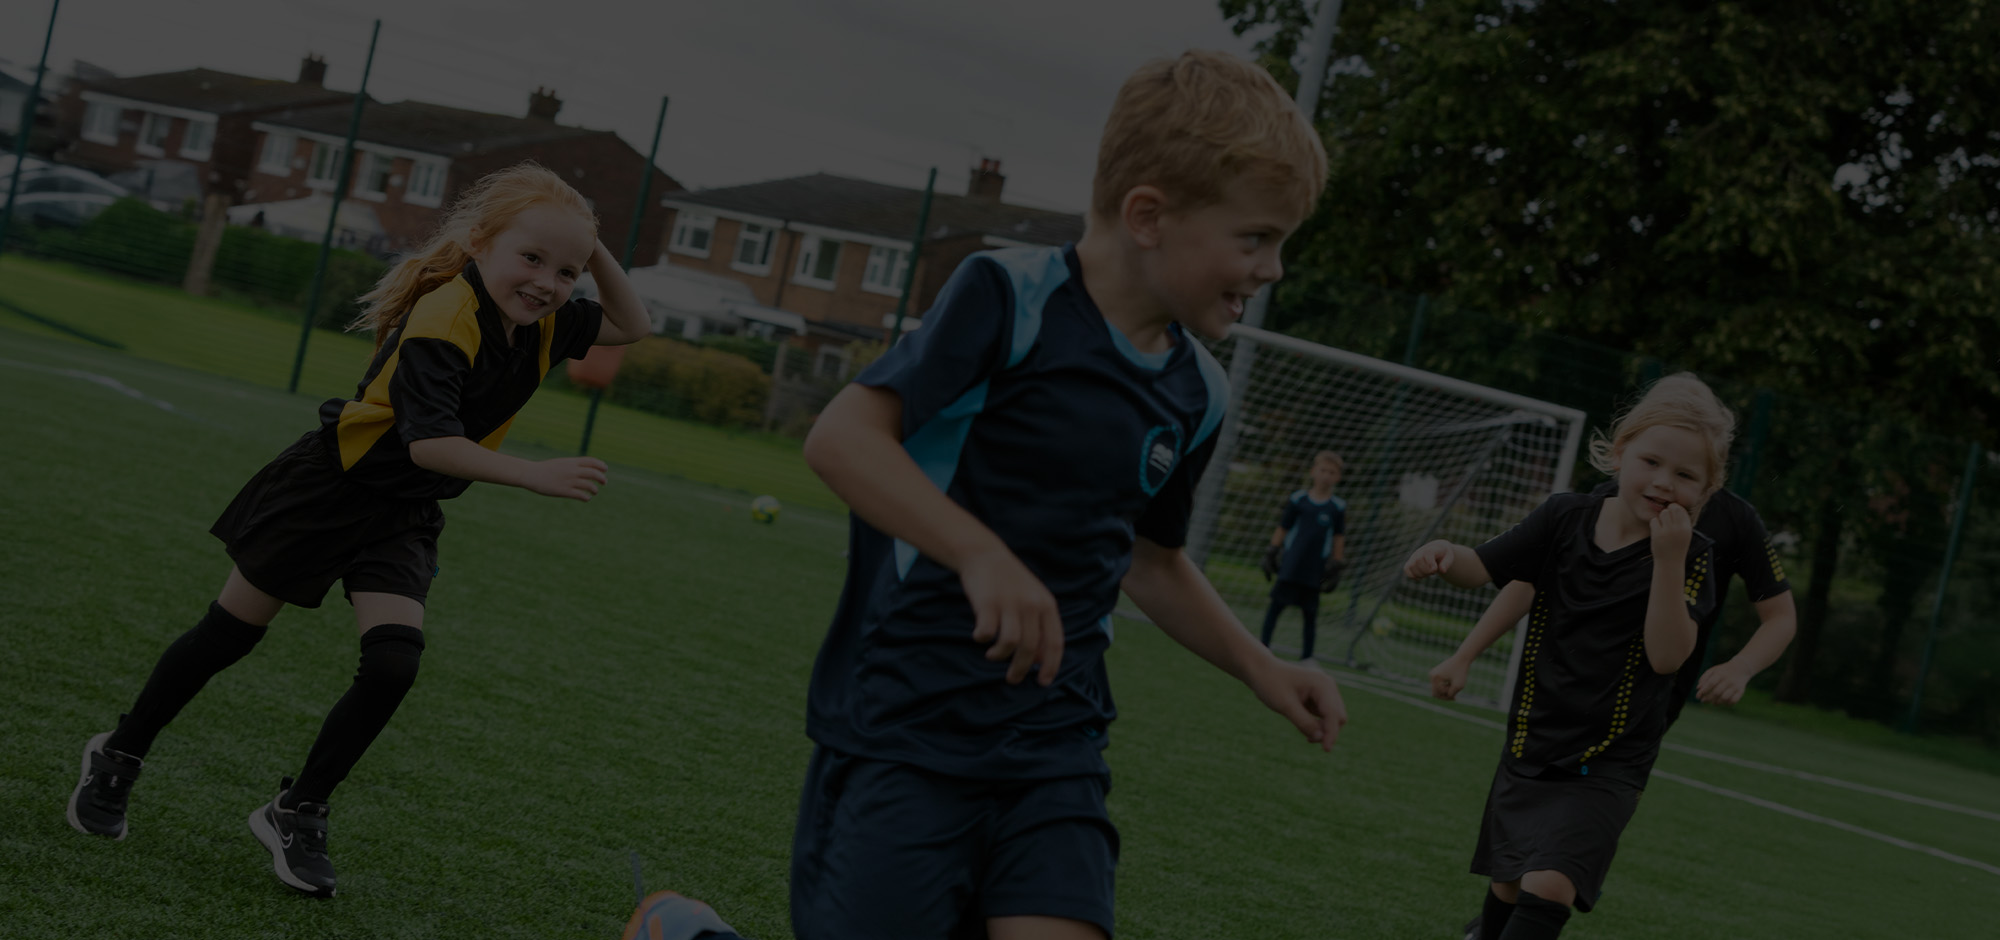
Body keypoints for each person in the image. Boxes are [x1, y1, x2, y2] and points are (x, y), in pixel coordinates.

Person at [790, 51, 1347, 940]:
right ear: (1149, 215)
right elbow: (842, 439)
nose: (1273, 268)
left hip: (1056, 744)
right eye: (1255, 238)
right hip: (907, 730)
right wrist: (979, 552)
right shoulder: (1006, 298)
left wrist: (1262, 665)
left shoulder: (1199, 392)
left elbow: (1152, 561)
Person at [66, 162, 653, 898]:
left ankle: (298, 809)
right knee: (229, 635)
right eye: (530, 259)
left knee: (393, 664)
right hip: (329, 489)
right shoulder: (447, 314)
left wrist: (586, 247)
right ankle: (119, 755)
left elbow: (634, 325)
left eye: (565, 272)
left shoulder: (544, 324)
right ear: (479, 245)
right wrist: (534, 473)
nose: (546, 282)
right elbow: (428, 443)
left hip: (403, 513)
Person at [1403, 373, 1736, 940]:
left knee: (1549, 881)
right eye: (1651, 461)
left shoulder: (1692, 557)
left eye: (1685, 476)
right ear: (1620, 452)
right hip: (1536, 735)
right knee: (1509, 881)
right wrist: (1444, 553)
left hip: (1611, 758)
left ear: (1706, 490)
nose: (1663, 483)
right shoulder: (1563, 517)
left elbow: (1666, 656)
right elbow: (1484, 568)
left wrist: (1668, 559)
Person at [1258, 450, 1348, 660]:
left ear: (1338, 477)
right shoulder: (1298, 500)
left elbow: (1338, 536)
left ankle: (1307, 658)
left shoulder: (1337, 507)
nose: (1326, 475)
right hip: (1291, 564)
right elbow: (1284, 527)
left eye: (1331, 472)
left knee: (1310, 614)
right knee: (1276, 606)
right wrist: (1272, 551)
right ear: (1313, 472)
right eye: (1323, 470)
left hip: (1315, 568)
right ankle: (1262, 648)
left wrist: (1336, 563)